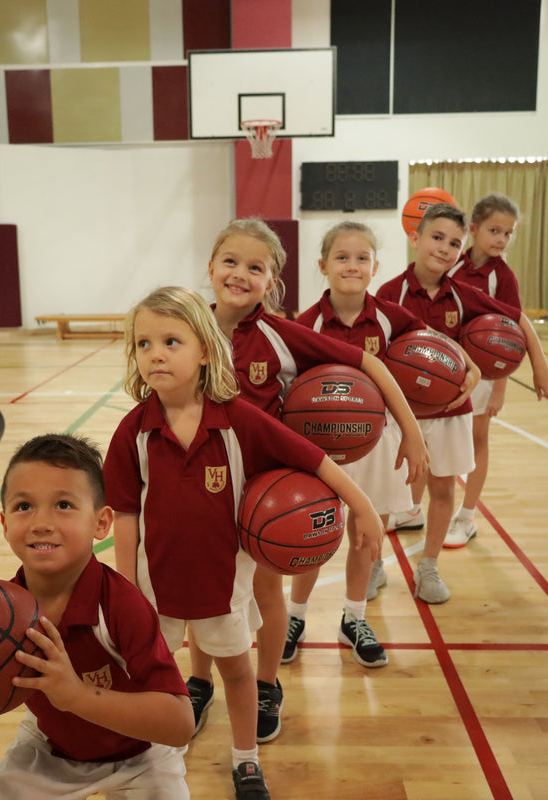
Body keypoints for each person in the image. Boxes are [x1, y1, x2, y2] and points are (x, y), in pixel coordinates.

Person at [103, 286, 388, 800]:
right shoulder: (133, 431)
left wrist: (363, 505)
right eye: (144, 344)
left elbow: (312, 458)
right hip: (154, 590)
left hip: (224, 588)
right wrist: (128, 589)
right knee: (151, 680)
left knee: (238, 675)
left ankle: (245, 759)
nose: (155, 354)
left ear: (205, 350)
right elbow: (125, 515)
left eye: (171, 341)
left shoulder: (237, 419)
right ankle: (152, 757)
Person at [186, 220, 427, 742]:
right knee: (206, 591)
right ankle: (198, 681)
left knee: (266, 591)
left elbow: (370, 364)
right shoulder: (188, 327)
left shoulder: (281, 334)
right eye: (230, 261)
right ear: (211, 267)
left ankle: (266, 684)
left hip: (264, 490)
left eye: (255, 267)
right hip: (202, 482)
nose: (240, 274)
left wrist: (411, 432)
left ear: (271, 282)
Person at [0, 433, 194, 800]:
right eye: (24, 506)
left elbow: (179, 724)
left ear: (101, 523)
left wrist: (76, 696)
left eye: (63, 504)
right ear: (4, 523)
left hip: (142, 753)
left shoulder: (121, 605)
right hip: (51, 748)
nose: (41, 522)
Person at [375, 202, 548, 603]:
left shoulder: (463, 295)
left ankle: (428, 566)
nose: (444, 248)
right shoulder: (391, 293)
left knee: (443, 489)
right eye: (437, 238)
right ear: (415, 238)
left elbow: (518, 320)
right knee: (385, 492)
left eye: (454, 243)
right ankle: (373, 563)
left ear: (462, 249)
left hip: (450, 411)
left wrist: (539, 368)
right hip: (402, 413)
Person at [284, 221, 428, 666]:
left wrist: (468, 368)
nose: (352, 265)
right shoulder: (306, 324)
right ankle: (295, 616)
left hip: (376, 441)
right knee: (311, 535)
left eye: (362, 258)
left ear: (375, 267)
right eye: (342, 257)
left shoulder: (390, 318)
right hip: (319, 447)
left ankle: (354, 617)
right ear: (323, 265)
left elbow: (433, 350)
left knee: (366, 537)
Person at [444, 193, 548, 547]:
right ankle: (416, 510)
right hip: (448, 368)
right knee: (438, 441)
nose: (501, 239)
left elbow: (511, 334)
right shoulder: (451, 264)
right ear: (473, 229)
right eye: (494, 230)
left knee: (477, 440)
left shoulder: (504, 277)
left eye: (508, 233)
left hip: (484, 375)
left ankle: (466, 516)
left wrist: (499, 388)